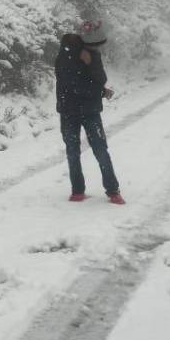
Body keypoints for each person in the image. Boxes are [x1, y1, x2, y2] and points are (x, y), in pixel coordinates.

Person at [54, 20, 124, 204]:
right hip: (76, 110)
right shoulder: (67, 54)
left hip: (80, 109)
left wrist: (93, 68)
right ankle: (89, 191)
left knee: (90, 150)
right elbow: (75, 85)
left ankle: (108, 190)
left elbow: (97, 79)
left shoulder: (88, 53)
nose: (98, 48)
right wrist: (99, 89)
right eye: (96, 45)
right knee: (86, 150)